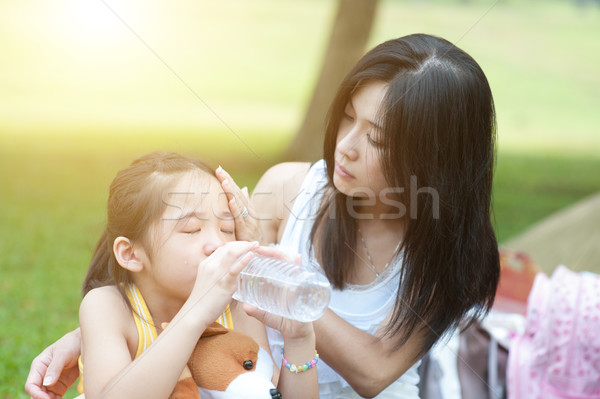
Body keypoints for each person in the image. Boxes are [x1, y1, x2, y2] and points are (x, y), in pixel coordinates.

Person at [26, 33, 499, 398]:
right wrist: (103, 334)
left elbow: (374, 371)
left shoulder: (454, 251)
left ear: (434, 159)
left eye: (376, 139)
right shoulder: (287, 188)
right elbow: (189, 278)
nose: (346, 146)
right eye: (348, 117)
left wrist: (282, 292)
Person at [56, 152, 318, 399]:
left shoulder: (236, 305)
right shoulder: (107, 306)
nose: (217, 243)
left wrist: (299, 340)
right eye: (192, 230)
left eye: (227, 228)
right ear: (131, 254)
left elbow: (259, 390)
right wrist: (197, 311)